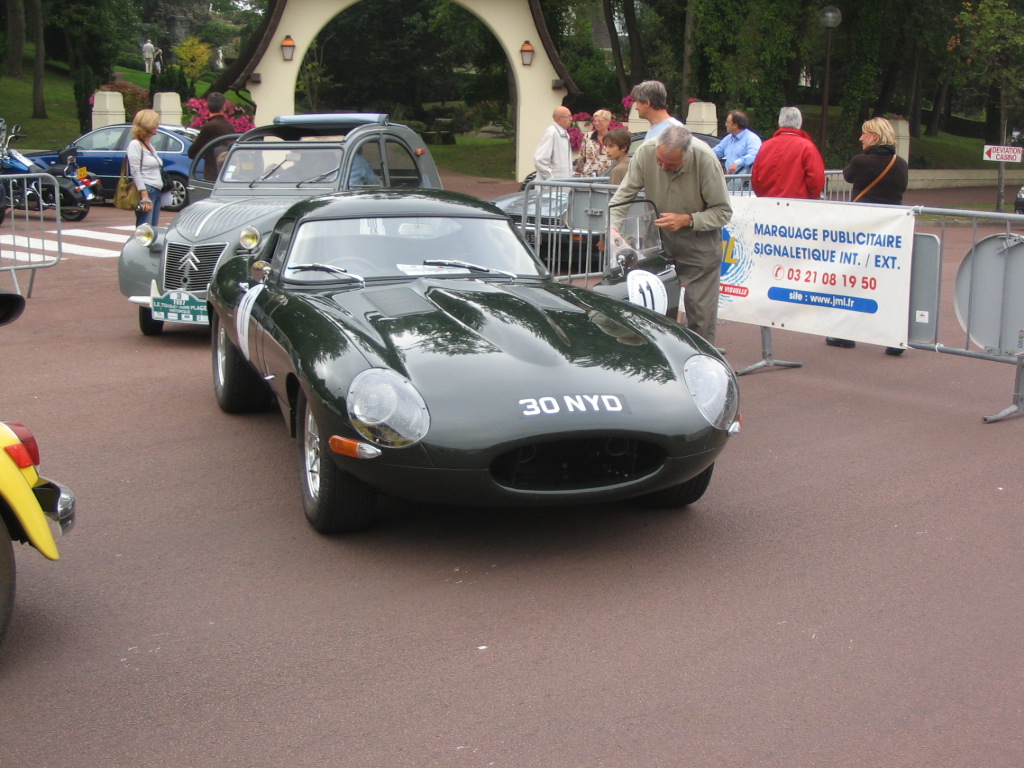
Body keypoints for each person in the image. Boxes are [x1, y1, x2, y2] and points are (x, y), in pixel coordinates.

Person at [609, 124, 732, 344]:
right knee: (650, 308)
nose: (663, 168)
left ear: (687, 156)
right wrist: (613, 226)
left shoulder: (705, 159)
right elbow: (622, 196)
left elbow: (722, 212)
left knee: (700, 316)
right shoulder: (646, 152)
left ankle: (700, 364)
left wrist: (688, 219)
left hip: (699, 244)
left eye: (672, 165)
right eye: (659, 161)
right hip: (657, 241)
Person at [826, 116, 910, 354]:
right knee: (889, 284)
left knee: (854, 282)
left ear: (874, 136)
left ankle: (847, 334)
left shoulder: (860, 161)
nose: (860, 137)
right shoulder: (901, 164)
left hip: (862, 230)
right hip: (892, 233)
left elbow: (848, 175)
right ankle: (895, 340)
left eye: (864, 133)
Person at [751, 106, 825, 199]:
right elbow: (816, 178)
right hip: (799, 203)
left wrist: (763, 196)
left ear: (780, 122)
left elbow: (755, 177)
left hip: (769, 203)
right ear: (800, 123)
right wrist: (812, 197)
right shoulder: (807, 147)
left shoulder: (765, 146)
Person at [126, 109, 164, 227]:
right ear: (147, 125)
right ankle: (142, 246)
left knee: (153, 229)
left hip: (156, 190)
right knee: (145, 228)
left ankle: (149, 246)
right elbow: (135, 171)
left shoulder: (148, 144)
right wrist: (144, 195)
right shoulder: (135, 144)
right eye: (154, 123)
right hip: (148, 190)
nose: (157, 125)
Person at [187, 92, 237, 181]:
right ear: (224, 107)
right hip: (227, 171)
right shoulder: (229, 125)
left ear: (208, 106)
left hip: (213, 172)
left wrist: (205, 155)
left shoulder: (209, 126)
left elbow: (192, 152)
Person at [713, 110, 761, 189]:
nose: (726, 124)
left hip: (745, 186)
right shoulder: (728, 139)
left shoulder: (752, 139)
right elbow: (716, 152)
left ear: (735, 125)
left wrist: (737, 163)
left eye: (728, 122)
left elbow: (754, 155)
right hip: (729, 182)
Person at [533, 106, 573, 181]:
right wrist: (551, 179)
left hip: (562, 186)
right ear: (559, 119)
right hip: (552, 188)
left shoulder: (563, 133)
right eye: (568, 117)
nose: (571, 119)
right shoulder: (552, 133)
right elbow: (539, 159)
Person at [574, 109, 613, 177]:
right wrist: (577, 175)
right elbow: (582, 157)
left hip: (606, 177)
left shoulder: (614, 138)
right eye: (595, 121)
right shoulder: (588, 136)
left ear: (608, 121)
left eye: (599, 121)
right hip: (588, 177)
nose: (596, 123)